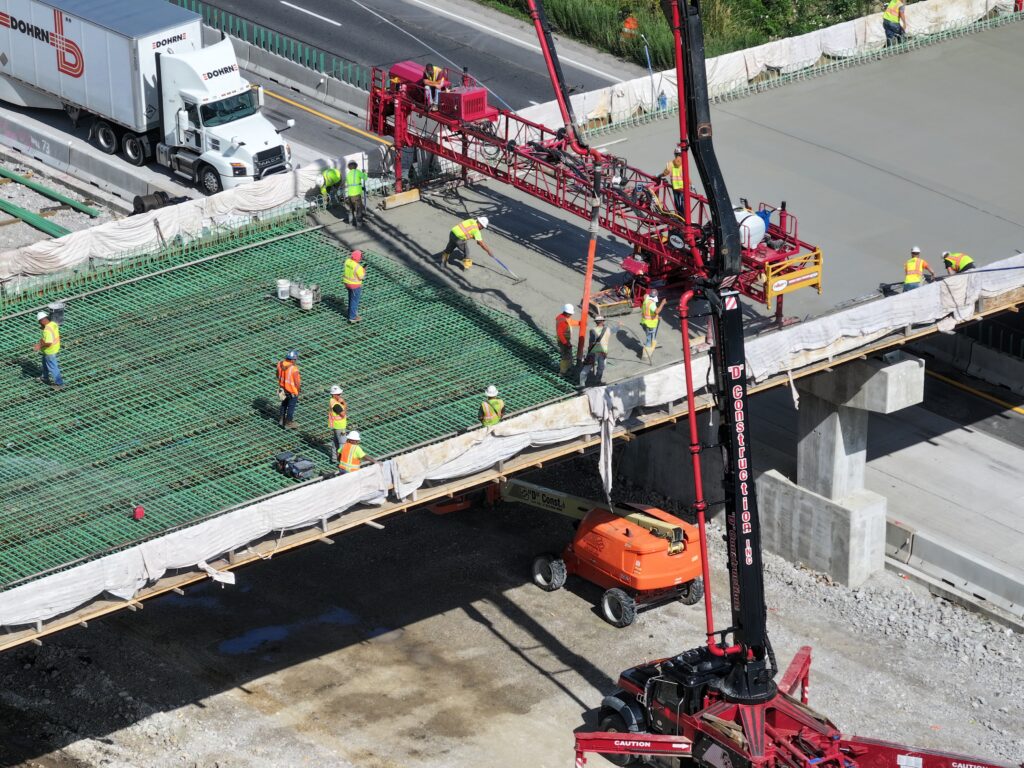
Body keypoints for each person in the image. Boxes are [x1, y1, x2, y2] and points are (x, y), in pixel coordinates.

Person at [33, 310, 63, 389]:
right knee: (45, 363)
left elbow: (48, 342)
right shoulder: (53, 324)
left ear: (42, 321)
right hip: (54, 348)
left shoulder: (47, 330)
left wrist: (39, 346)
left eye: (39, 322)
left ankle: (59, 384)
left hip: (50, 351)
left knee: (53, 367)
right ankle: (45, 377)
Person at [580, 315, 611, 386]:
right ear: (602, 321)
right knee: (601, 368)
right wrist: (619, 325)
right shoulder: (607, 329)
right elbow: (614, 330)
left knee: (587, 368)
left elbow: (591, 343)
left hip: (594, 352)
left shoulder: (592, 330)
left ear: (596, 322)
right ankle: (598, 381)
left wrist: (589, 352)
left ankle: (581, 384)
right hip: (603, 352)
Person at [276, 350, 301, 429]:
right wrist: (299, 390)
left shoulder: (279, 364)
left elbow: (277, 374)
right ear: (293, 359)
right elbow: (297, 383)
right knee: (291, 407)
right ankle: (288, 422)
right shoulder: (294, 369)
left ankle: (281, 420)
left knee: (283, 404)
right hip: (292, 391)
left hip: (282, 389)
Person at [640, 289, 667, 358]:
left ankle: (652, 343)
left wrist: (656, 317)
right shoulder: (652, 304)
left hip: (644, 322)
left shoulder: (646, 299)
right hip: (650, 324)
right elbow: (657, 311)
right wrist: (662, 303)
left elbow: (645, 295)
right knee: (649, 339)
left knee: (650, 336)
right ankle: (646, 355)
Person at [555, 303, 580, 376]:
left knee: (568, 355)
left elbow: (570, 322)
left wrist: (579, 323)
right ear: (566, 312)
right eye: (570, 314)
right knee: (565, 357)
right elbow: (560, 334)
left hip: (565, 340)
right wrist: (566, 343)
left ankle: (568, 368)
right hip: (563, 341)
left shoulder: (565, 317)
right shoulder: (562, 321)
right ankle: (562, 372)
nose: (571, 315)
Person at [344, 250, 365, 323]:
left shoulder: (347, 261)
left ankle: (351, 312)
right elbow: (361, 277)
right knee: (354, 301)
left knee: (350, 298)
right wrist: (363, 271)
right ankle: (352, 317)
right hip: (355, 286)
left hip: (346, 283)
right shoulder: (358, 267)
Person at [344, 160, 368, 226]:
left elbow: (353, 184)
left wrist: (360, 187)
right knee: (358, 209)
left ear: (349, 167)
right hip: (356, 195)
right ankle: (359, 223)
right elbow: (365, 178)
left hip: (349, 195)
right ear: (356, 166)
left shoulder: (348, 174)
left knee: (351, 209)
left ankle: (350, 221)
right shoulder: (358, 172)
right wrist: (364, 172)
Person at [328, 385, 348, 456]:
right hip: (340, 427)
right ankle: (341, 459)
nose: (340, 395)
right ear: (333, 395)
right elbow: (343, 414)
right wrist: (344, 404)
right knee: (342, 444)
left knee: (335, 442)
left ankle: (334, 458)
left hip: (336, 425)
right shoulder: (336, 405)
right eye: (338, 394)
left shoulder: (332, 401)